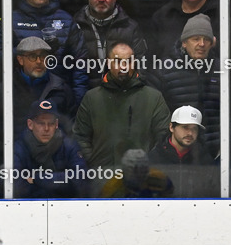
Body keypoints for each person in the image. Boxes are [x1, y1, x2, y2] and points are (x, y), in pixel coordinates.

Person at [0, 0, 89, 105]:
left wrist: (78, 108)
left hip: (57, 99)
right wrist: (25, 52)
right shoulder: (10, 21)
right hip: (19, 98)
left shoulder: (66, 21)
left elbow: (80, 67)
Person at [72, 40, 170, 170]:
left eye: (128, 61)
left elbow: (163, 139)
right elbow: (80, 137)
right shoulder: (92, 98)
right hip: (103, 178)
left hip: (142, 178)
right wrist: (95, 163)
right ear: (108, 62)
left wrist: (146, 165)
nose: (123, 66)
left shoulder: (153, 98)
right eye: (118, 61)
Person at [150, 14, 221, 156]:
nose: (201, 44)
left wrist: (225, 146)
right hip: (175, 153)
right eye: (196, 39)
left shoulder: (221, 70)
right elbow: (154, 115)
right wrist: (166, 147)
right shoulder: (164, 70)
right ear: (184, 42)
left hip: (213, 152)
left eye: (206, 39)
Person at [69, 0, 147, 89]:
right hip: (83, 97)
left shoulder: (130, 28)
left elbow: (142, 68)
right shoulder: (74, 26)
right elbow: (66, 68)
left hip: (120, 96)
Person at [0, 36, 75, 140]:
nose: (39, 61)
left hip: (53, 151)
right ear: (20, 60)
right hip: (16, 153)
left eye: (43, 56)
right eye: (32, 56)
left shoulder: (61, 89)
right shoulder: (5, 90)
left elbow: (70, 130)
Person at [14, 100, 91, 199]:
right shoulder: (19, 148)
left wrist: (37, 179)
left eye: (51, 123)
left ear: (56, 124)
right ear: (30, 124)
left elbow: (81, 181)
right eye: (41, 123)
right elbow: (13, 185)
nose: (46, 128)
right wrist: (59, 183)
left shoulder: (69, 146)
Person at [147, 105, 218, 197]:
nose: (190, 133)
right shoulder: (153, 159)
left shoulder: (205, 160)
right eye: (185, 127)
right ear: (171, 127)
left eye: (194, 128)